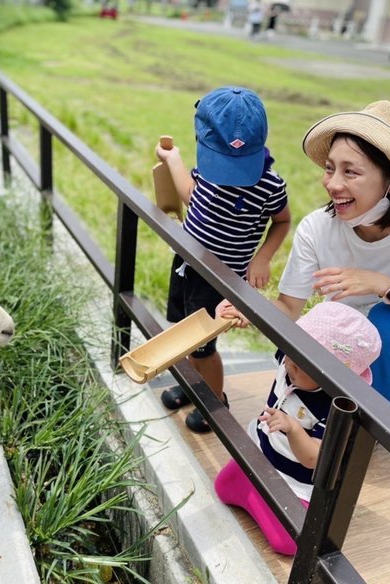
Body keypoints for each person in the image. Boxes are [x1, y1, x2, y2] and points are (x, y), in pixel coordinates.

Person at [224, 100, 390, 406]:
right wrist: (249, 309)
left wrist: (385, 286)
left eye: (351, 172)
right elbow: (289, 308)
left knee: (387, 321)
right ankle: (282, 420)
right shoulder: (317, 228)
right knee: (314, 328)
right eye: (330, 168)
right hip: (355, 327)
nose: (332, 184)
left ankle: (366, 425)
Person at [155, 86, 291, 433]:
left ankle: (215, 401)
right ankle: (192, 386)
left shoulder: (270, 185)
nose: (227, 177)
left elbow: (282, 221)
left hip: (219, 280)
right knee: (184, 334)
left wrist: (262, 258)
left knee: (203, 346)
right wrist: (173, 159)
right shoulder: (206, 170)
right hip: (187, 266)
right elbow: (191, 196)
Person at [214, 301, 382, 555]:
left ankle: (258, 494)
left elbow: (314, 458)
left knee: (289, 542)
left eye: (298, 366)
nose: (288, 366)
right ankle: (254, 486)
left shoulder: (332, 406)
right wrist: (244, 312)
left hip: (294, 479)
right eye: (290, 356)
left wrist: (293, 429)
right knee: (222, 487)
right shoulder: (290, 358)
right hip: (262, 450)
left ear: (330, 376)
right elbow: (272, 327)